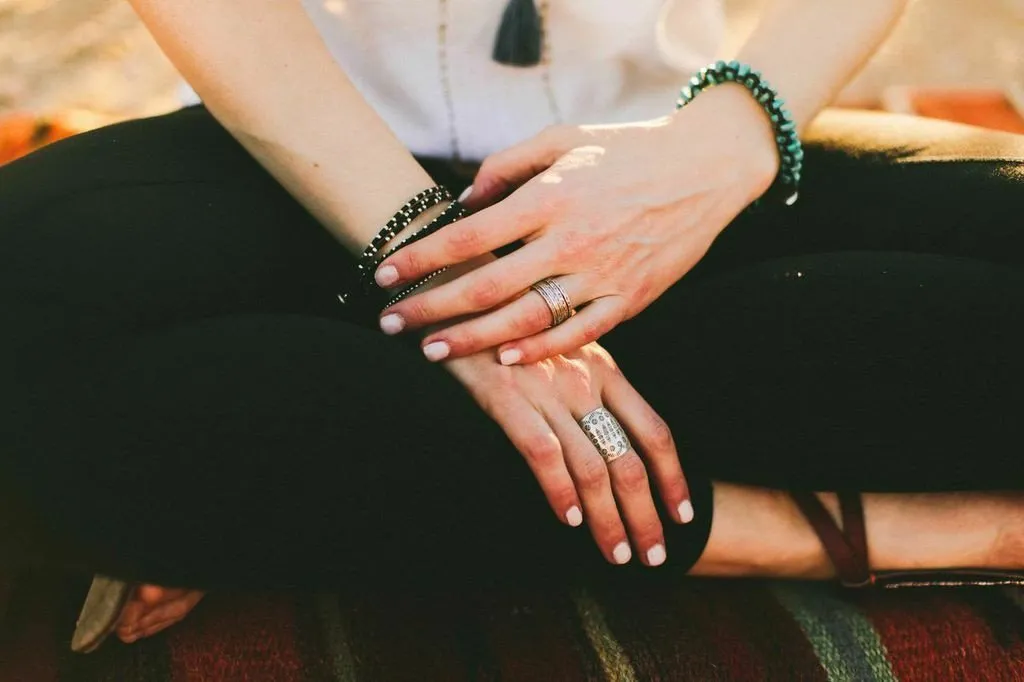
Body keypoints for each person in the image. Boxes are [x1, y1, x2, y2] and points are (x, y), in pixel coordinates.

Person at [2, 0, 1023, 650]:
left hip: (652, 175)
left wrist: (717, 153)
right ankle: (827, 531)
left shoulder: (687, 173)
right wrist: (448, 279)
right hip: (295, 172)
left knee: (137, 416)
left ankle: (282, 430)